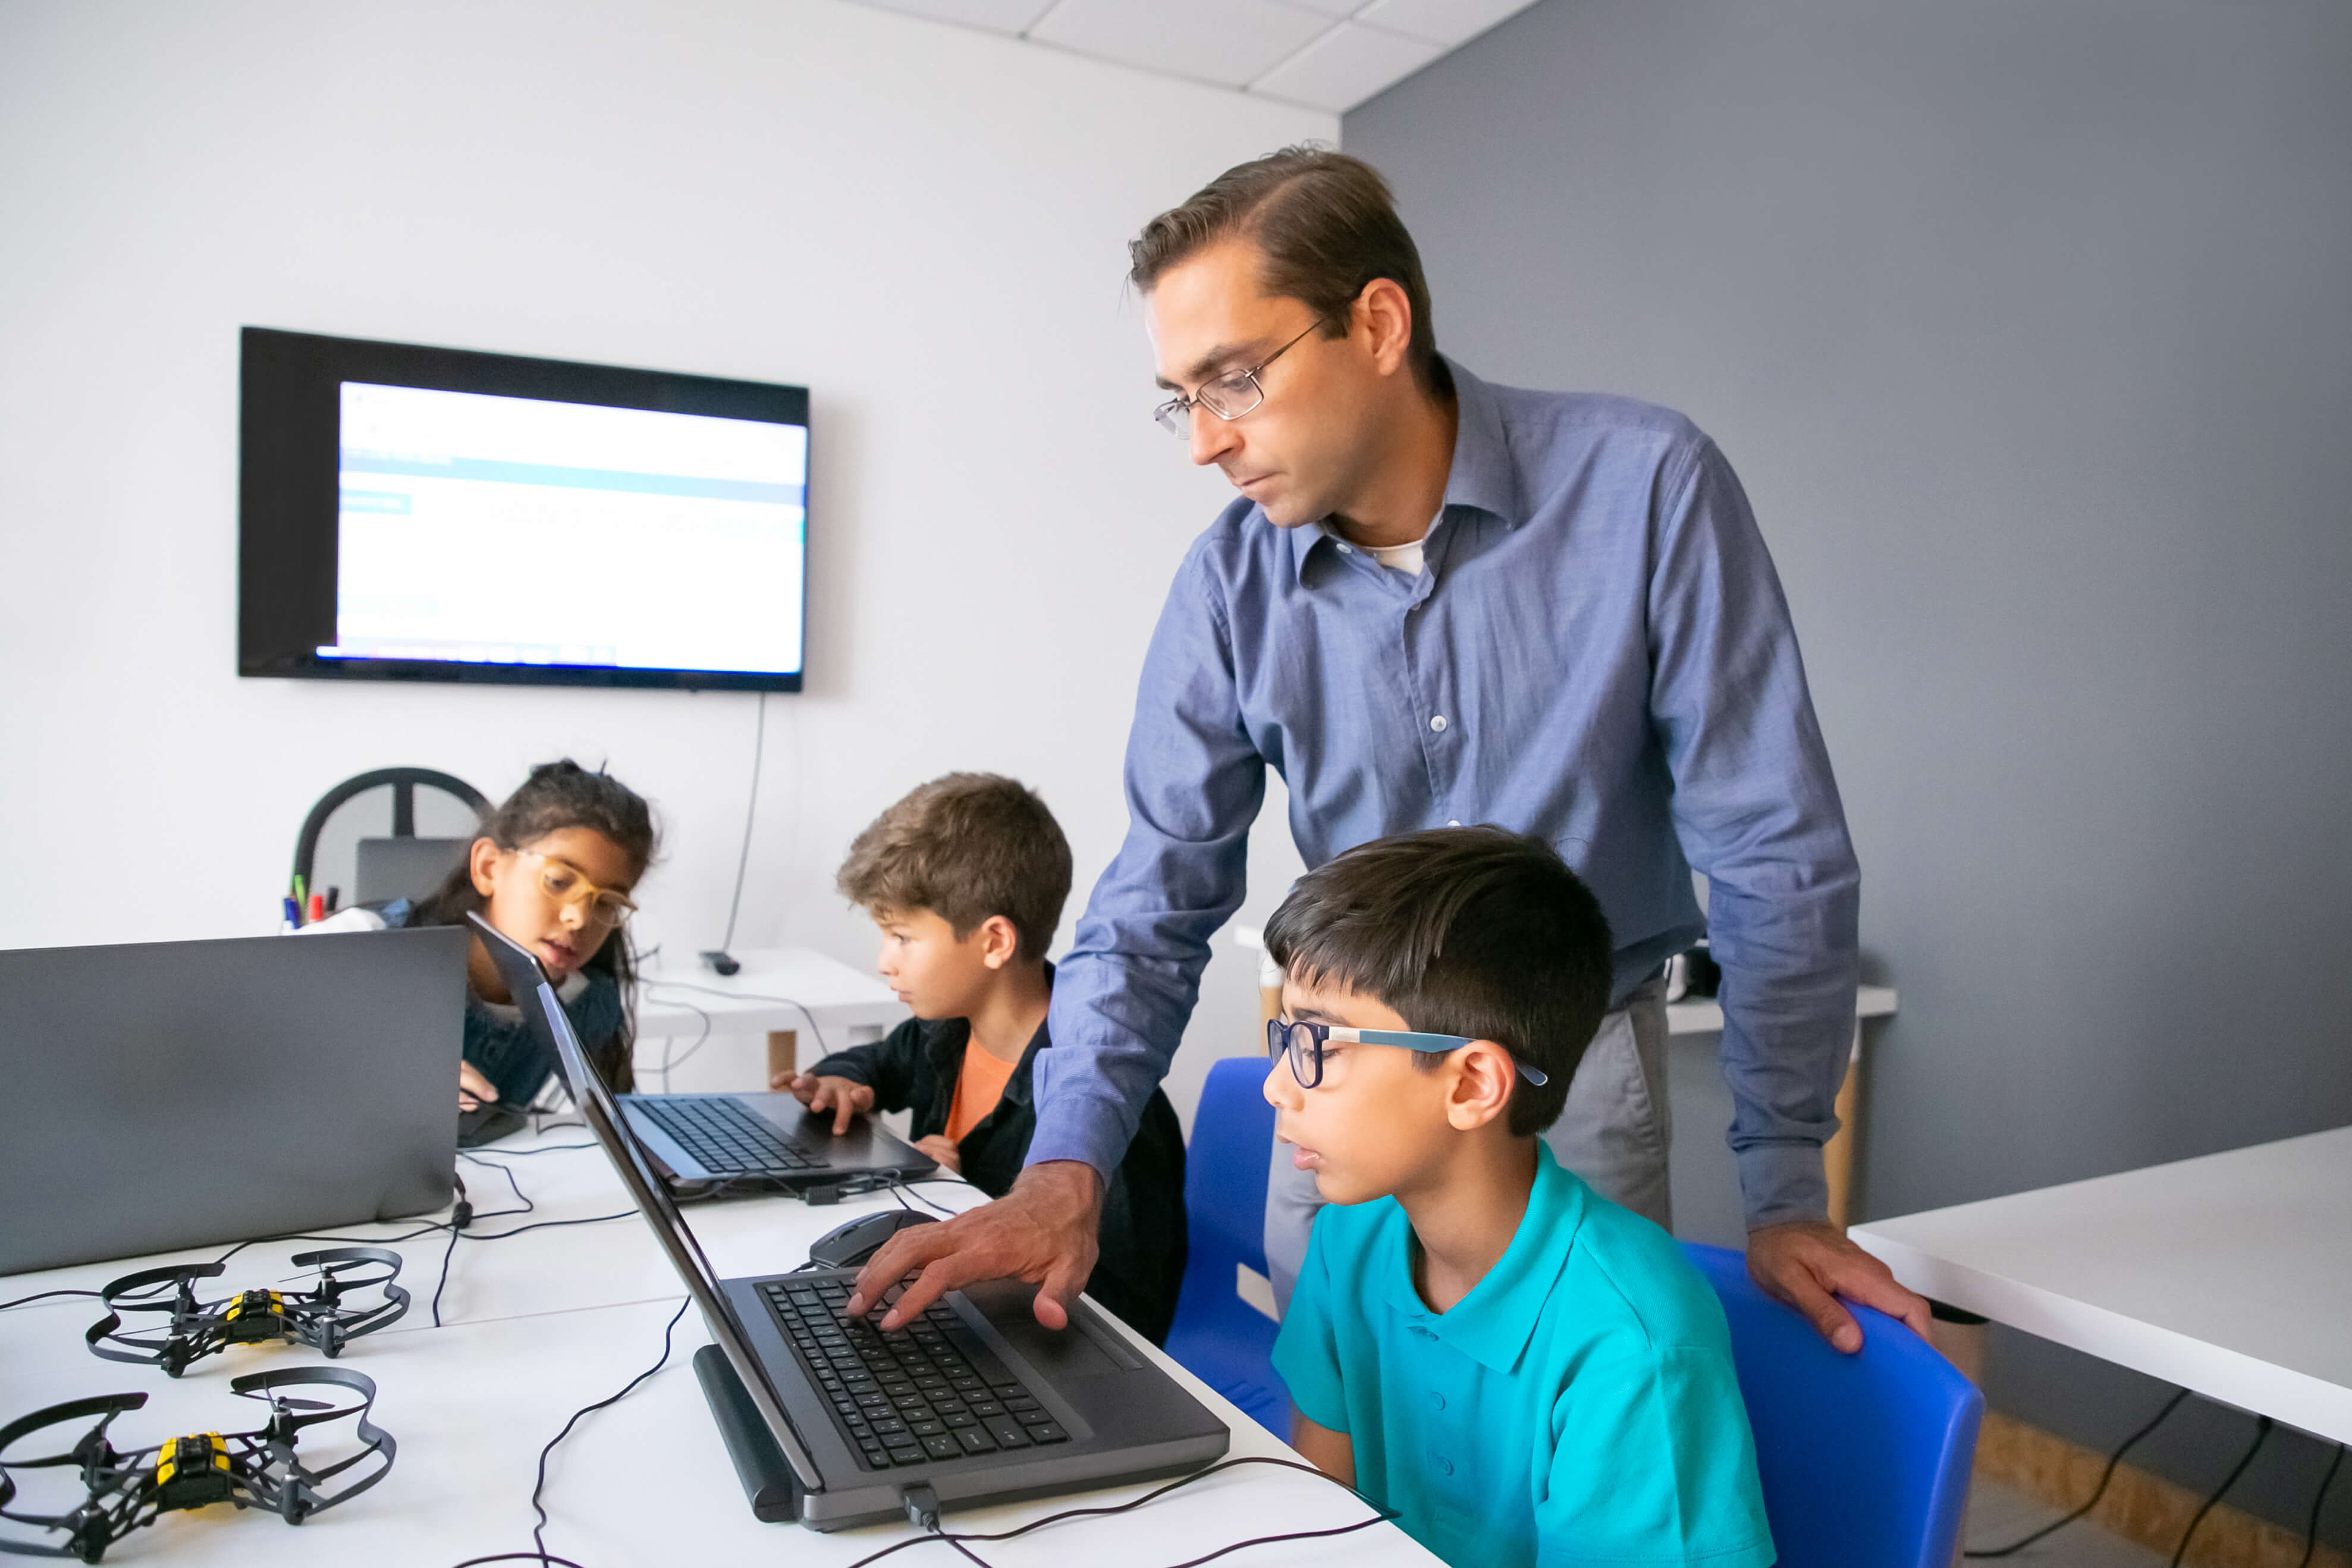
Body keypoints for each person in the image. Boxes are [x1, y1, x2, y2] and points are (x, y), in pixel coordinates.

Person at [847, 147, 1928, 1357]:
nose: (1201, 442)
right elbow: (1154, 899)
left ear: (1375, 322)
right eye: (1180, 396)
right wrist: (1065, 1167)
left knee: (1565, 1464)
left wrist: (1786, 1182)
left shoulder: (1644, 488)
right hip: (1337, 1086)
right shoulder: (1227, 586)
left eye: (1233, 381)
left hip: (1561, 1086)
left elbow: (1773, 846)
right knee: (1351, 1473)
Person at [1266, 827, 1772, 1568]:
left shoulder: (1630, 1348)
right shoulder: (1351, 1240)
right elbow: (1321, 1525)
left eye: (1321, 1045)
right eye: (1289, 1037)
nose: (1279, 1084)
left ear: (1471, 1084)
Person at [775, 774, 1188, 1343]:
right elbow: (874, 1063)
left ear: (995, 941)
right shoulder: (941, 1033)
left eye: (902, 937)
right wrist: (842, 1080)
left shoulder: (1117, 1119)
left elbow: (1119, 1316)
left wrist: (954, 1200)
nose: (884, 962)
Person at [303, 759, 656, 1130]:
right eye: (557, 881)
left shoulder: (586, 1004)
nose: (580, 918)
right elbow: (246, 1052)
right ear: (489, 868)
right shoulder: (359, 945)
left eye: (606, 903)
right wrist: (378, 1076)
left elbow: (615, 1139)